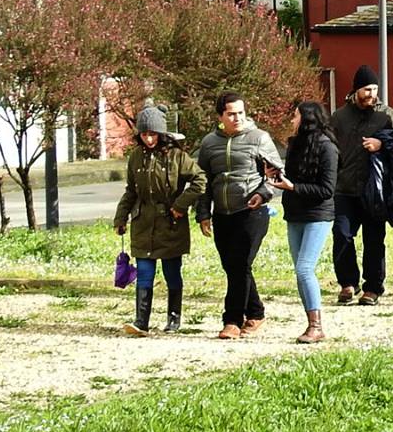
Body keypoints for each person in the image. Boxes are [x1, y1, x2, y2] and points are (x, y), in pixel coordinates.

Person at [194, 91, 283, 341]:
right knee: (232, 266)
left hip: (251, 211)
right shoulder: (209, 143)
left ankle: (232, 320)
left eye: (241, 113)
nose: (238, 118)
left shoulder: (259, 138)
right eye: (231, 114)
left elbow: (278, 175)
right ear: (220, 116)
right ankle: (256, 312)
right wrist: (203, 213)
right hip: (222, 213)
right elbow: (203, 181)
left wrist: (263, 194)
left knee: (240, 263)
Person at [112, 105, 205, 337]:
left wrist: (180, 205)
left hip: (171, 223)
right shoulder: (136, 157)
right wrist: (121, 217)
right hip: (143, 223)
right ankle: (141, 321)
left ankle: (174, 318)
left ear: (161, 134)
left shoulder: (177, 156)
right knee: (144, 272)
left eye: (153, 134)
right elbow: (131, 191)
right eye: (144, 134)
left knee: (171, 272)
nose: (149, 139)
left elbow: (200, 181)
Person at [330, 66, 393, 305]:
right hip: (344, 188)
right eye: (367, 89)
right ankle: (348, 283)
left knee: (374, 239)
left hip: (374, 190)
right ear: (356, 90)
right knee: (342, 234)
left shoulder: (387, 115)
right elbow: (329, 147)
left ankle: (373, 287)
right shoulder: (339, 117)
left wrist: (382, 144)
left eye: (374, 89)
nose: (371, 94)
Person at [271, 100, 337, 344]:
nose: (292, 120)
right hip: (295, 214)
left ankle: (316, 326)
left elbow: (327, 189)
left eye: (296, 116)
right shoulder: (295, 144)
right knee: (300, 272)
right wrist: (276, 176)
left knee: (304, 268)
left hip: (318, 215)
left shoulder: (327, 147)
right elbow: (292, 178)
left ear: (307, 118)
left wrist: (293, 187)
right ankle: (310, 321)